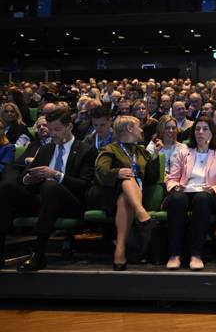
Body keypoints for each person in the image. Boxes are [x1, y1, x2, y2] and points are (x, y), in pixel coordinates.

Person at [0, 108, 96, 270]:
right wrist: (27, 179)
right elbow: (26, 177)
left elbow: (85, 185)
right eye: (50, 129)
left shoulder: (86, 150)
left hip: (70, 202)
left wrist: (56, 175)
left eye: (57, 129)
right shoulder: (45, 149)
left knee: (50, 184)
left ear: (69, 127)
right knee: (6, 187)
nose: (52, 134)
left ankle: (39, 253)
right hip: (42, 200)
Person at [93, 116, 160, 270]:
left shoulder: (142, 152)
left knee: (126, 195)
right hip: (110, 195)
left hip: (138, 193)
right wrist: (117, 172)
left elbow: (151, 178)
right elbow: (100, 172)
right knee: (127, 180)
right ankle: (142, 215)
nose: (142, 130)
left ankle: (120, 251)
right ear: (130, 128)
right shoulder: (109, 149)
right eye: (138, 127)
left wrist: (155, 155)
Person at [163, 117, 216, 271]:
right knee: (177, 200)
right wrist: (175, 187)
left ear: (212, 132)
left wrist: (213, 189)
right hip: (185, 191)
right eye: (197, 129)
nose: (200, 132)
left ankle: (196, 254)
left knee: (202, 198)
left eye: (205, 129)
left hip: (208, 195)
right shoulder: (184, 152)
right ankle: (174, 254)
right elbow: (172, 178)